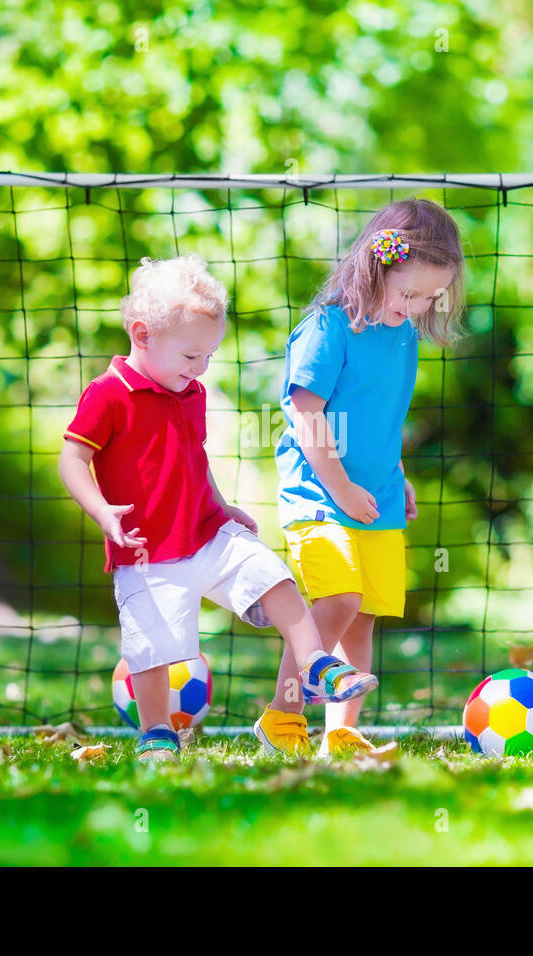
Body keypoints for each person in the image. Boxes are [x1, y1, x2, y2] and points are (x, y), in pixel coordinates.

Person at [58, 255, 378, 762]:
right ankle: (157, 732)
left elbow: (194, 456)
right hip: (147, 552)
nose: (200, 368)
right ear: (142, 336)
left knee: (275, 577)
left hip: (206, 532)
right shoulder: (107, 394)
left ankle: (316, 663)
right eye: (190, 356)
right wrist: (101, 512)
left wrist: (222, 503)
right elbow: (73, 458)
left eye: (208, 355)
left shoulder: (191, 392)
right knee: (151, 646)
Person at [257, 199, 466, 758]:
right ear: (380, 265)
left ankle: (341, 732)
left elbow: (382, 417)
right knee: (337, 597)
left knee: (363, 615)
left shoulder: (403, 337)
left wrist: (398, 477)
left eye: (430, 299)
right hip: (318, 495)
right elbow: (307, 414)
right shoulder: (327, 327)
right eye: (410, 294)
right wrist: (343, 487)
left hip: (376, 497)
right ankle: (282, 716)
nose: (418, 307)